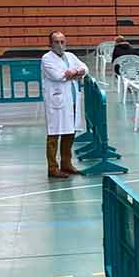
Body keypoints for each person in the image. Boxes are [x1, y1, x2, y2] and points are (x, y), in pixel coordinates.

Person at [41, 31, 87, 179]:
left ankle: (66, 164)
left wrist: (74, 72)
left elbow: (85, 69)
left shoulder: (71, 56)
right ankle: (53, 168)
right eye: (56, 42)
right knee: (54, 135)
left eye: (62, 42)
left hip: (72, 99)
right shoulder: (46, 59)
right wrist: (75, 73)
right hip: (57, 101)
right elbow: (58, 76)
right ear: (50, 44)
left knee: (70, 132)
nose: (60, 45)